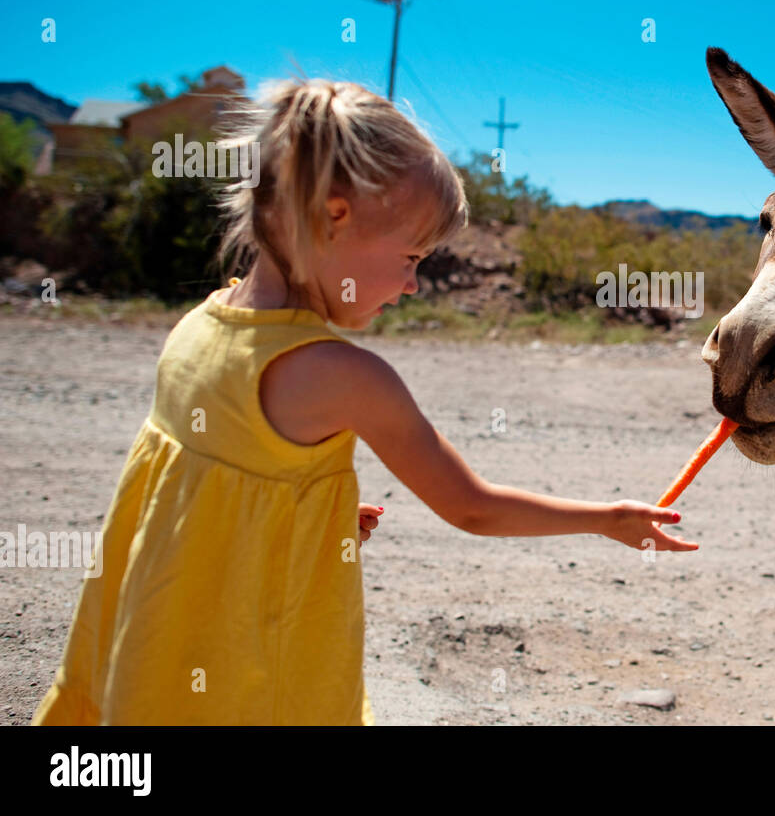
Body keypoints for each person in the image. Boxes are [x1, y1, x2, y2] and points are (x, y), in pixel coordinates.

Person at [32, 79, 697, 726]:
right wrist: (608, 517)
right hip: (253, 683)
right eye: (411, 256)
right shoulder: (347, 374)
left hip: (156, 664)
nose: (412, 284)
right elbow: (472, 506)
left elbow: (198, 493)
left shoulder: (194, 331)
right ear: (333, 215)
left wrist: (296, 511)